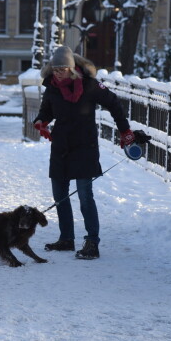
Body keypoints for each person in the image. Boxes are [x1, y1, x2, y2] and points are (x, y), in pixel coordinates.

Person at [33, 46, 135, 260]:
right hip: (61, 146)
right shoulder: (52, 87)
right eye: (55, 69)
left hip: (84, 146)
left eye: (62, 69)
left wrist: (124, 129)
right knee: (60, 196)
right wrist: (41, 121)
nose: (58, 73)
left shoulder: (89, 86)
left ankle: (92, 242)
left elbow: (114, 103)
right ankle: (66, 239)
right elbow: (46, 110)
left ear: (71, 68)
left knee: (85, 196)